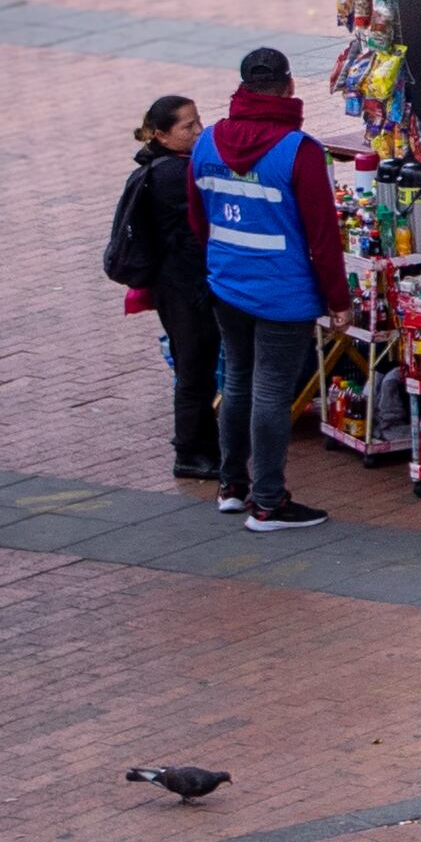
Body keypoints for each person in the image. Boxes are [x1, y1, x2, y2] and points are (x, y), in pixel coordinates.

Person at [194, 48, 346, 529]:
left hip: (226, 282)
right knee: (272, 392)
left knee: (237, 379)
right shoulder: (299, 150)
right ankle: (269, 502)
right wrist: (338, 300)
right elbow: (322, 236)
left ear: (241, 85)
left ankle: (232, 486)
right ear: (288, 86)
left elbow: (199, 219)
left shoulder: (206, 142)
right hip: (283, 291)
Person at [106, 94, 217, 480]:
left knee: (196, 366)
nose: (199, 131)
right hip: (184, 288)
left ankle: (203, 444)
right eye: (188, 126)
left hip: (179, 285)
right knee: (194, 369)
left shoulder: (162, 167)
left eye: (198, 121)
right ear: (161, 135)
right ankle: (190, 451)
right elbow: (194, 234)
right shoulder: (171, 175)